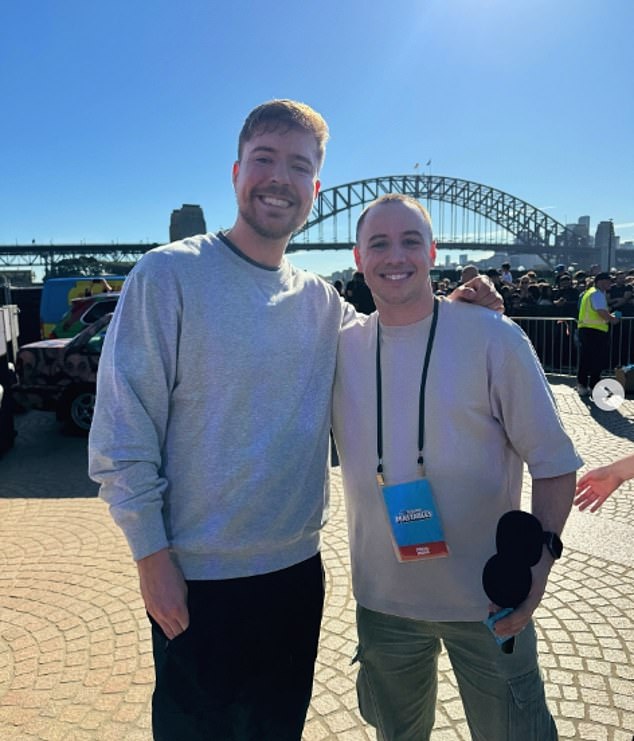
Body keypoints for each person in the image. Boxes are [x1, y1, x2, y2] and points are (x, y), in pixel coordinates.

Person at [88, 100, 500, 741]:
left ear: (314, 189)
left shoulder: (320, 300)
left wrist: (459, 311)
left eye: (299, 166)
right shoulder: (168, 274)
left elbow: (387, 343)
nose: (279, 178)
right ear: (235, 173)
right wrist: (151, 557)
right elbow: (122, 431)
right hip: (199, 581)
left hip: (296, 577)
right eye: (265, 159)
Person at [332, 194, 582, 741]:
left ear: (433, 251)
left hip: (489, 602)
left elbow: (556, 464)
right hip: (382, 604)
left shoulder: (493, 337)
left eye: (409, 241)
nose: (394, 256)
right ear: (358, 257)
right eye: (379, 243)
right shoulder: (338, 347)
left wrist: (536, 574)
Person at [576, 272, 619, 396]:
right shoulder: (597, 294)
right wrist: (612, 319)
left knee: (586, 358)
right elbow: (601, 312)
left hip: (587, 329)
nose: (611, 283)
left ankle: (583, 385)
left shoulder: (589, 293)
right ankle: (593, 386)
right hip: (595, 331)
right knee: (597, 359)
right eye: (609, 281)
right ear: (600, 281)